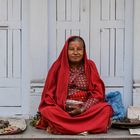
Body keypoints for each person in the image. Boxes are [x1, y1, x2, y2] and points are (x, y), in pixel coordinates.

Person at [35, 36, 113, 134]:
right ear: (66, 51)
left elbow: (98, 92)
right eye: (71, 49)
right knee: (48, 110)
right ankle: (85, 128)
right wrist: (62, 106)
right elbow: (48, 95)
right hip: (63, 110)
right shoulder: (57, 66)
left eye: (79, 49)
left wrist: (83, 108)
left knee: (106, 108)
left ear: (84, 51)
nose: (75, 53)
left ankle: (62, 128)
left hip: (85, 109)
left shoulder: (90, 66)